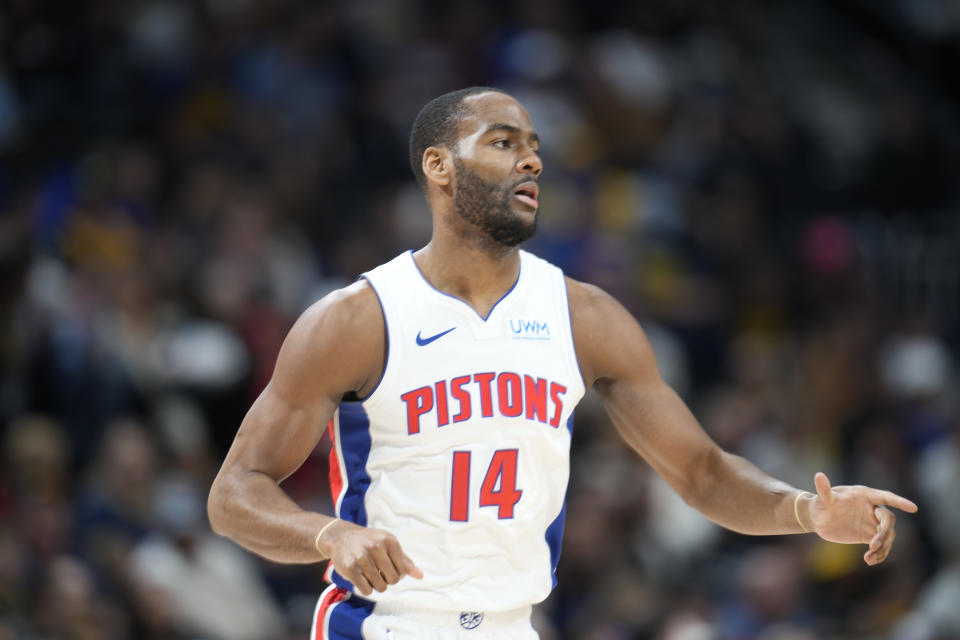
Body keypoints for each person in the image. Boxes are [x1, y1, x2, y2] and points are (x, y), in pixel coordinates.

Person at [207, 87, 918, 640]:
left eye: (536, 146)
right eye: (503, 142)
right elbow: (234, 493)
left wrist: (804, 511)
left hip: (517, 625)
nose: (532, 160)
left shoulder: (585, 317)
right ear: (438, 166)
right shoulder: (358, 319)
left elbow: (701, 472)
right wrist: (327, 534)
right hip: (384, 625)